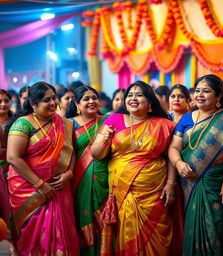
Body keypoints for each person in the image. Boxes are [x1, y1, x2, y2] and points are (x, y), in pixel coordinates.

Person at [168, 74, 223, 255]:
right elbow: (174, 147)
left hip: (217, 184)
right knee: (192, 229)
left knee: (217, 230)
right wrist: (178, 164)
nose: (200, 95)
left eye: (206, 91)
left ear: (218, 97)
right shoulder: (185, 119)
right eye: (197, 90)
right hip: (189, 184)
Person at [91, 80, 177, 255]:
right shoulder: (113, 119)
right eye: (130, 95)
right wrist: (105, 140)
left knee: (157, 236)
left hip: (154, 192)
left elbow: (172, 156)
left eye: (139, 95)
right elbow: (96, 153)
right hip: (123, 190)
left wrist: (171, 183)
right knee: (126, 230)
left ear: (150, 103)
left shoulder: (164, 125)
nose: (133, 98)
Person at [6, 81, 79, 255]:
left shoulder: (65, 124)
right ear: (33, 104)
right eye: (47, 100)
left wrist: (69, 173)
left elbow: (71, 151)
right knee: (34, 241)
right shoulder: (23, 124)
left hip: (59, 189)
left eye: (54, 98)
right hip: (30, 190)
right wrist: (40, 185)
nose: (53, 103)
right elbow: (12, 157)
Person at [66, 86, 109, 255]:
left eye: (94, 98)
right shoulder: (69, 124)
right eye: (86, 99)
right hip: (79, 179)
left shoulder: (108, 120)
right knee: (82, 217)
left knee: (105, 219)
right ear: (77, 104)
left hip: (104, 177)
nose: (91, 101)